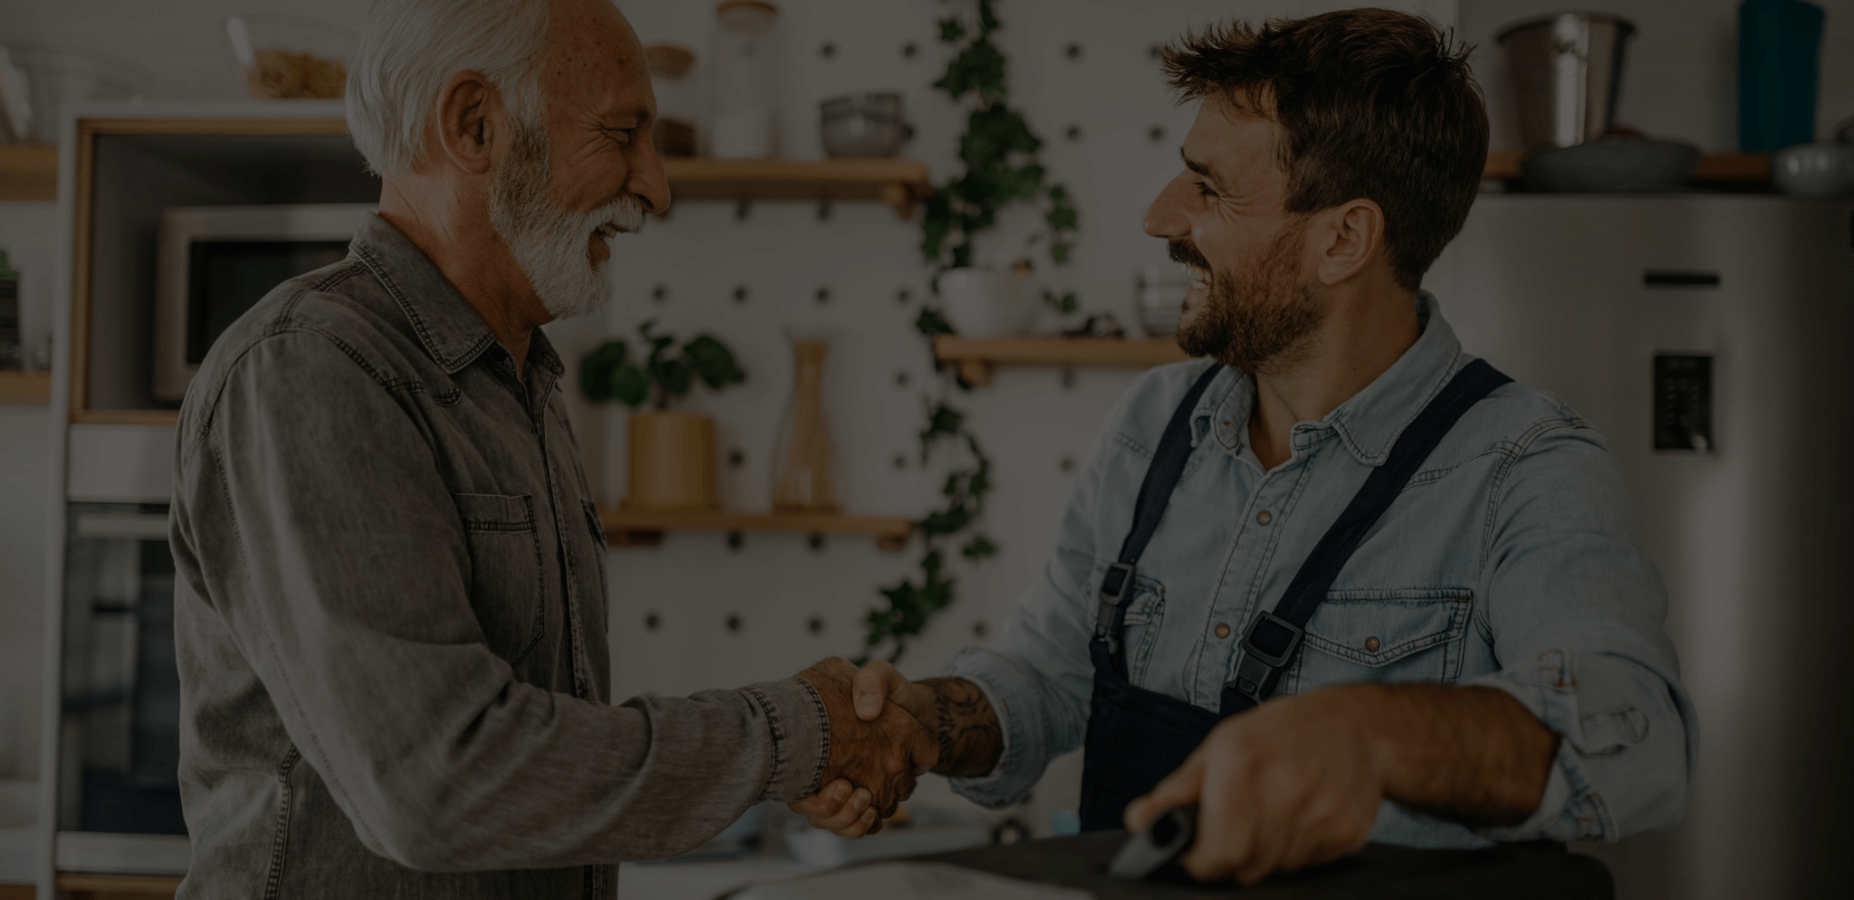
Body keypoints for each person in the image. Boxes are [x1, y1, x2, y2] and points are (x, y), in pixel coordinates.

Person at [793, 9, 1696, 886]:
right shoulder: (1154, 421)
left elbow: (1633, 736)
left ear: (1342, 239)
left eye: (1210, 189)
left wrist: (1367, 738)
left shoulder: (1526, 467)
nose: (1159, 217)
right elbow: (1050, 675)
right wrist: (927, 723)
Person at [167, 0, 930, 895]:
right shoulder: (312, 368)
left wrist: (782, 759)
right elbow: (437, 781)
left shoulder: (520, 383)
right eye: (622, 133)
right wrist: (798, 737)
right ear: (475, 125)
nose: (657, 186)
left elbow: (534, 757)